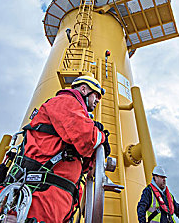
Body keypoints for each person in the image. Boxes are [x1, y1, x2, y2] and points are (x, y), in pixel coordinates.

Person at [8, 75, 111, 223]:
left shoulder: (74, 111)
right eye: (96, 95)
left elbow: (85, 158)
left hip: (55, 196)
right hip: (42, 195)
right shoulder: (65, 102)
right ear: (83, 89)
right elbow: (87, 139)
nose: (97, 101)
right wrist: (101, 136)